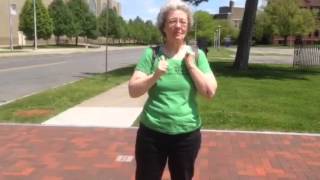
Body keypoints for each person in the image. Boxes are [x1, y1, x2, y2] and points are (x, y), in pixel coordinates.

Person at [128, 0, 217, 179]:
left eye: (183, 22)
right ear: (163, 26)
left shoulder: (197, 55)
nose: (178, 26)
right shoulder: (152, 54)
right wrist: (155, 76)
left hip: (187, 134)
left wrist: (191, 66)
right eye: (172, 21)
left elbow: (209, 92)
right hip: (152, 134)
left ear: (188, 26)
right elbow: (133, 90)